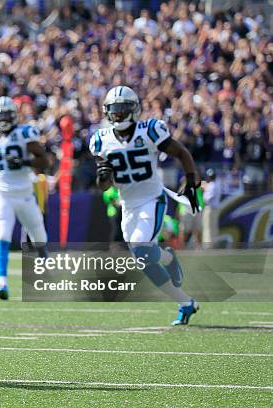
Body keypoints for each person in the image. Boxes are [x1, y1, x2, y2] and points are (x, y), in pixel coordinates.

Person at [90, 85, 201, 325]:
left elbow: (181, 152)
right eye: (114, 111)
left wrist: (192, 180)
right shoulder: (101, 140)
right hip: (128, 205)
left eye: (122, 110)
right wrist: (103, 175)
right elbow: (104, 186)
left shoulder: (149, 130)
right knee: (143, 259)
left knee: (141, 249)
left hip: (152, 199)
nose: (118, 115)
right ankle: (185, 301)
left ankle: (168, 259)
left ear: (134, 110)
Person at [0, 96, 49, 300]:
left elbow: (45, 160)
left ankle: (44, 265)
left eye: (8, 115)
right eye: (1, 115)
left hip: (25, 194)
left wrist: (25, 162)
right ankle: (2, 283)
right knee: (2, 237)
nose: (5, 119)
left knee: (39, 236)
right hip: (2, 195)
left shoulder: (25, 133)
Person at [202, 168, 221, 246]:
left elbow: (206, 199)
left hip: (210, 208)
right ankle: (213, 244)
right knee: (213, 227)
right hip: (214, 208)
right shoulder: (216, 184)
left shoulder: (211, 186)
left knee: (208, 227)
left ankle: (208, 245)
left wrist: (204, 190)